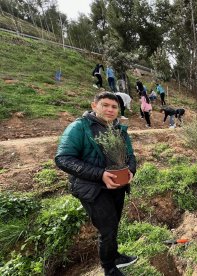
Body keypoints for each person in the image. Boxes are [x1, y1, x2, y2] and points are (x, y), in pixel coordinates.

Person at [55, 92, 137, 276]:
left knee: (113, 224)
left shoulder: (119, 129)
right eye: (105, 105)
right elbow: (63, 158)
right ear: (94, 106)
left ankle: (114, 255)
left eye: (114, 107)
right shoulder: (79, 127)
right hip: (92, 188)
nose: (110, 109)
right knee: (107, 227)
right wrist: (100, 174)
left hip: (117, 185)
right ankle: (109, 268)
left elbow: (130, 156)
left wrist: (131, 170)